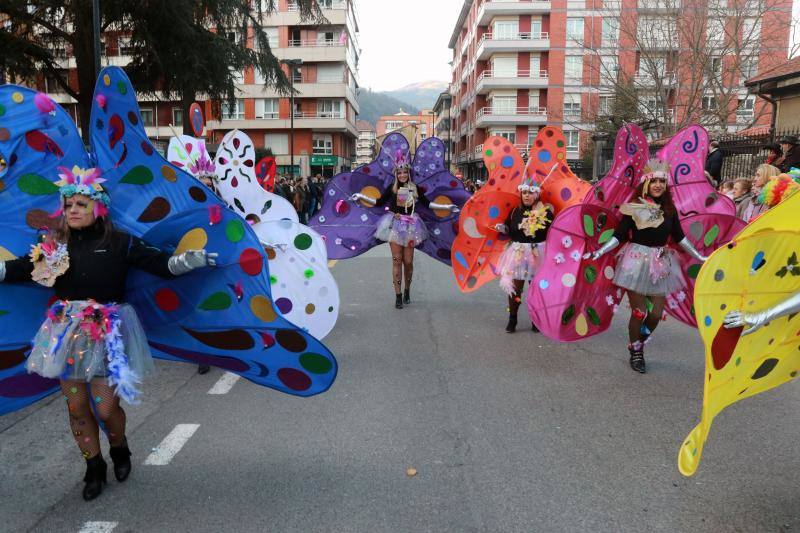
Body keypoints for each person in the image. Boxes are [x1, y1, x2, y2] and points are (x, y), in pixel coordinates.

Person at [0, 167, 217, 501]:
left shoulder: (120, 242)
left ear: (98, 208)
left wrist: (190, 260)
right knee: (77, 408)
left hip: (108, 334)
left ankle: (119, 447)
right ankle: (93, 466)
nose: (73, 210)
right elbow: (22, 269)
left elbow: (161, 265)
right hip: (66, 335)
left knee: (104, 408)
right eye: (68, 204)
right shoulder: (54, 245)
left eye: (81, 204)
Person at [590, 159, 707, 373]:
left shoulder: (670, 210)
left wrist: (700, 256)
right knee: (639, 312)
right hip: (635, 262)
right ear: (646, 183)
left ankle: (638, 341)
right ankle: (636, 352)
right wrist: (600, 251)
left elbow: (680, 237)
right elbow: (619, 235)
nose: (658, 185)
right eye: (654, 181)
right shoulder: (634, 208)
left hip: (660, 263)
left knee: (655, 315)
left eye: (662, 181)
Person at [350, 155, 459, 309]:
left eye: (405, 172)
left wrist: (447, 207)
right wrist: (361, 196)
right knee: (397, 260)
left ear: (409, 173)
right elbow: (379, 202)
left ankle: (407, 289)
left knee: (408, 262)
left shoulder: (414, 188)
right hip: (394, 225)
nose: (402, 175)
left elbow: (428, 204)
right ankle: (398, 296)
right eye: (399, 173)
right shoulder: (392, 188)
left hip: (411, 227)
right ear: (396, 174)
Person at [494, 178, 552, 333]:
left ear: (536, 195)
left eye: (530, 193)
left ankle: (536, 320)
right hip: (518, 253)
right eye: (524, 192)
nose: (527, 195)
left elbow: (553, 232)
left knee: (536, 289)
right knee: (515, 288)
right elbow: (509, 229)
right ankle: (512, 319)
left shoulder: (546, 212)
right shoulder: (515, 211)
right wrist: (503, 228)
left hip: (537, 253)